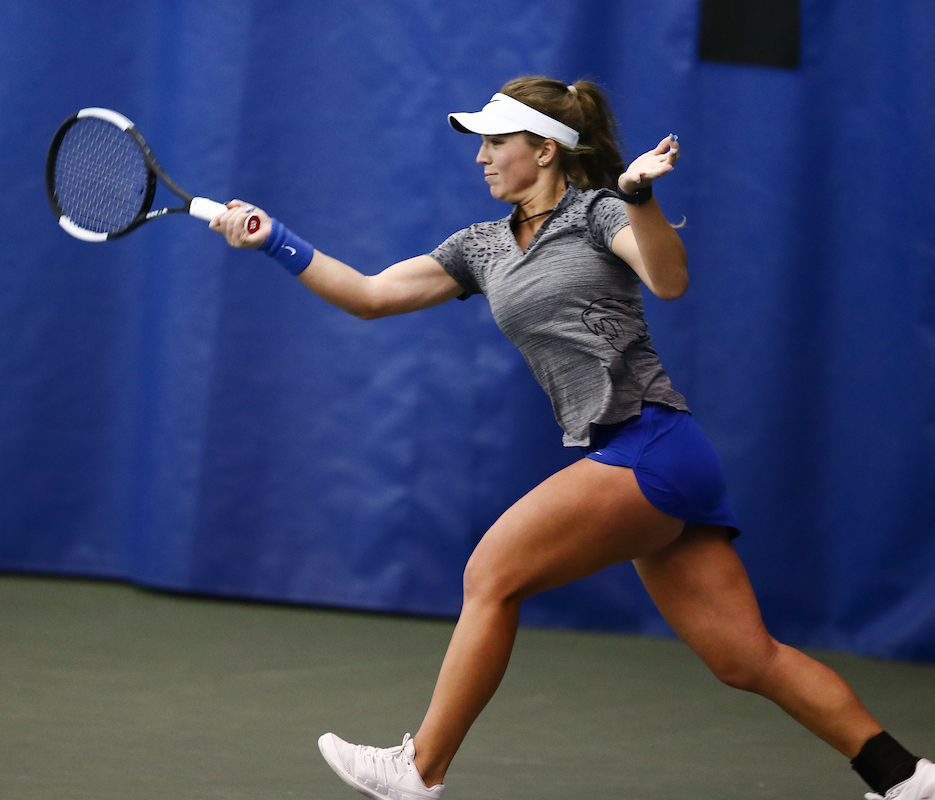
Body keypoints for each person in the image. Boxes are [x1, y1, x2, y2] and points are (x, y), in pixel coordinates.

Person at [210, 76, 932, 800]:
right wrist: (274, 240)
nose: (482, 157)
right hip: (646, 458)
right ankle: (905, 779)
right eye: (481, 144)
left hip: (650, 446)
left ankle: (418, 770)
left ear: (546, 150)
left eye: (497, 142)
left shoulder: (599, 214)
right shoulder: (482, 247)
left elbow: (668, 279)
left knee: (490, 576)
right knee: (746, 659)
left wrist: (641, 198)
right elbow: (371, 295)